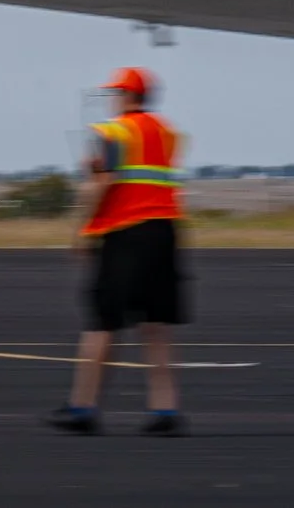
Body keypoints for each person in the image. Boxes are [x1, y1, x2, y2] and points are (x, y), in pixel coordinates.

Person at [48, 66, 188, 436]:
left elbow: (103, 183)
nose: (112, 98)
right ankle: (166, 410)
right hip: (165, 232)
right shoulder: (168, 133)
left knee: (102, 323)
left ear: (127, 96)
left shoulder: (113, 132)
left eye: (115, 92)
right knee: (155, 325)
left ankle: (83, 406)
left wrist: (81, 228)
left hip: (125, 234)